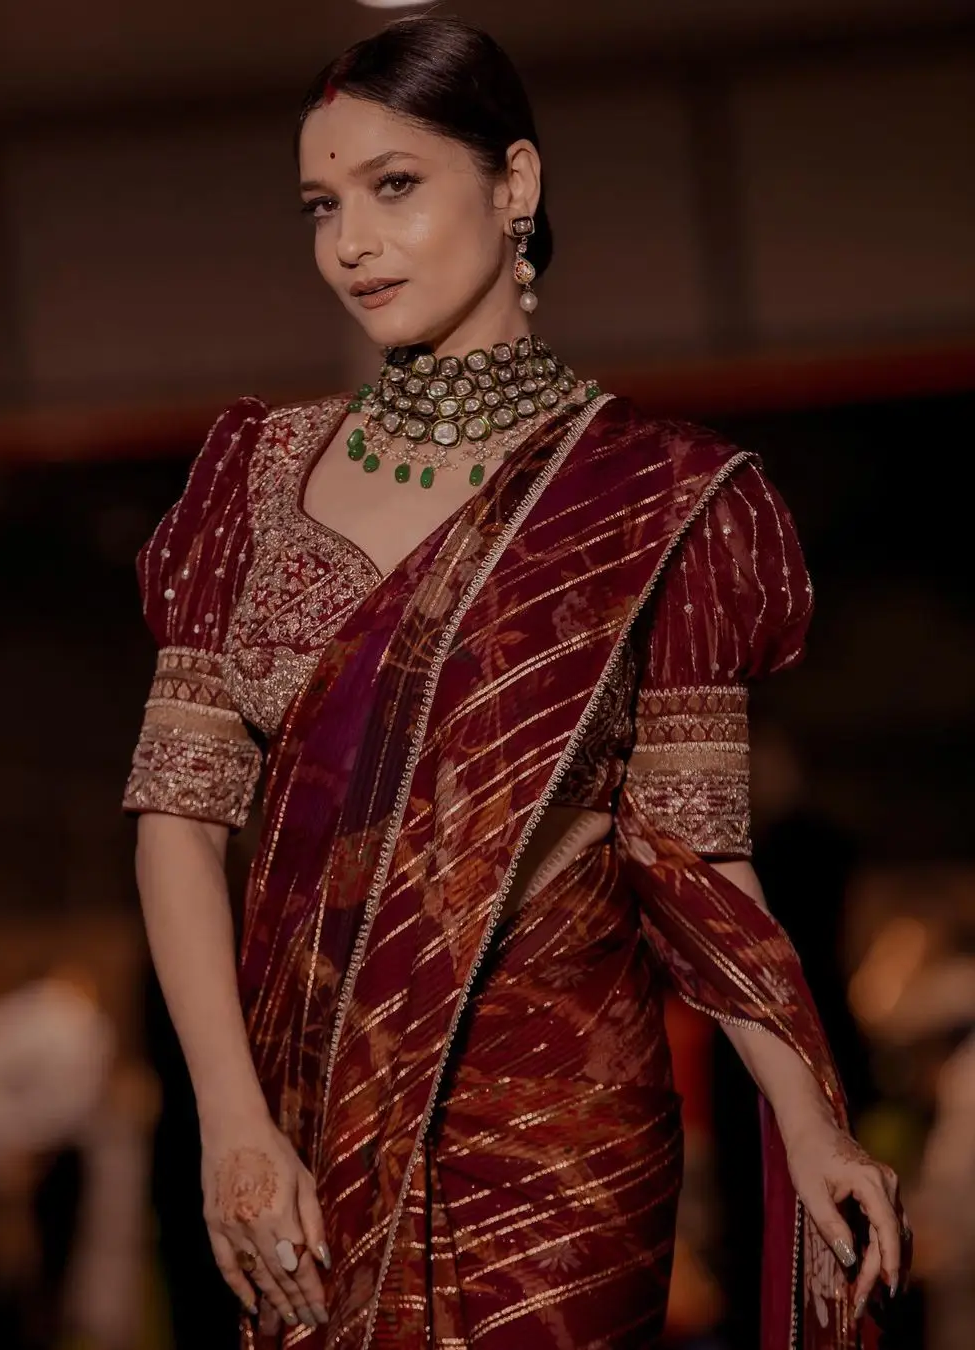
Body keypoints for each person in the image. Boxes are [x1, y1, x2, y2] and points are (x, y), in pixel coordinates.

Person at [123, 17, 909, 1349]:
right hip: (310, 1107)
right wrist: (233, 1118)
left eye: (394, 186)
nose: (351, 242)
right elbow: (180, 819)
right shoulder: (251, 483)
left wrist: (813, 1120)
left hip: (564, 1126)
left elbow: (697, 852)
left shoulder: (655, 499)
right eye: (324, 205)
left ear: (516, 184)